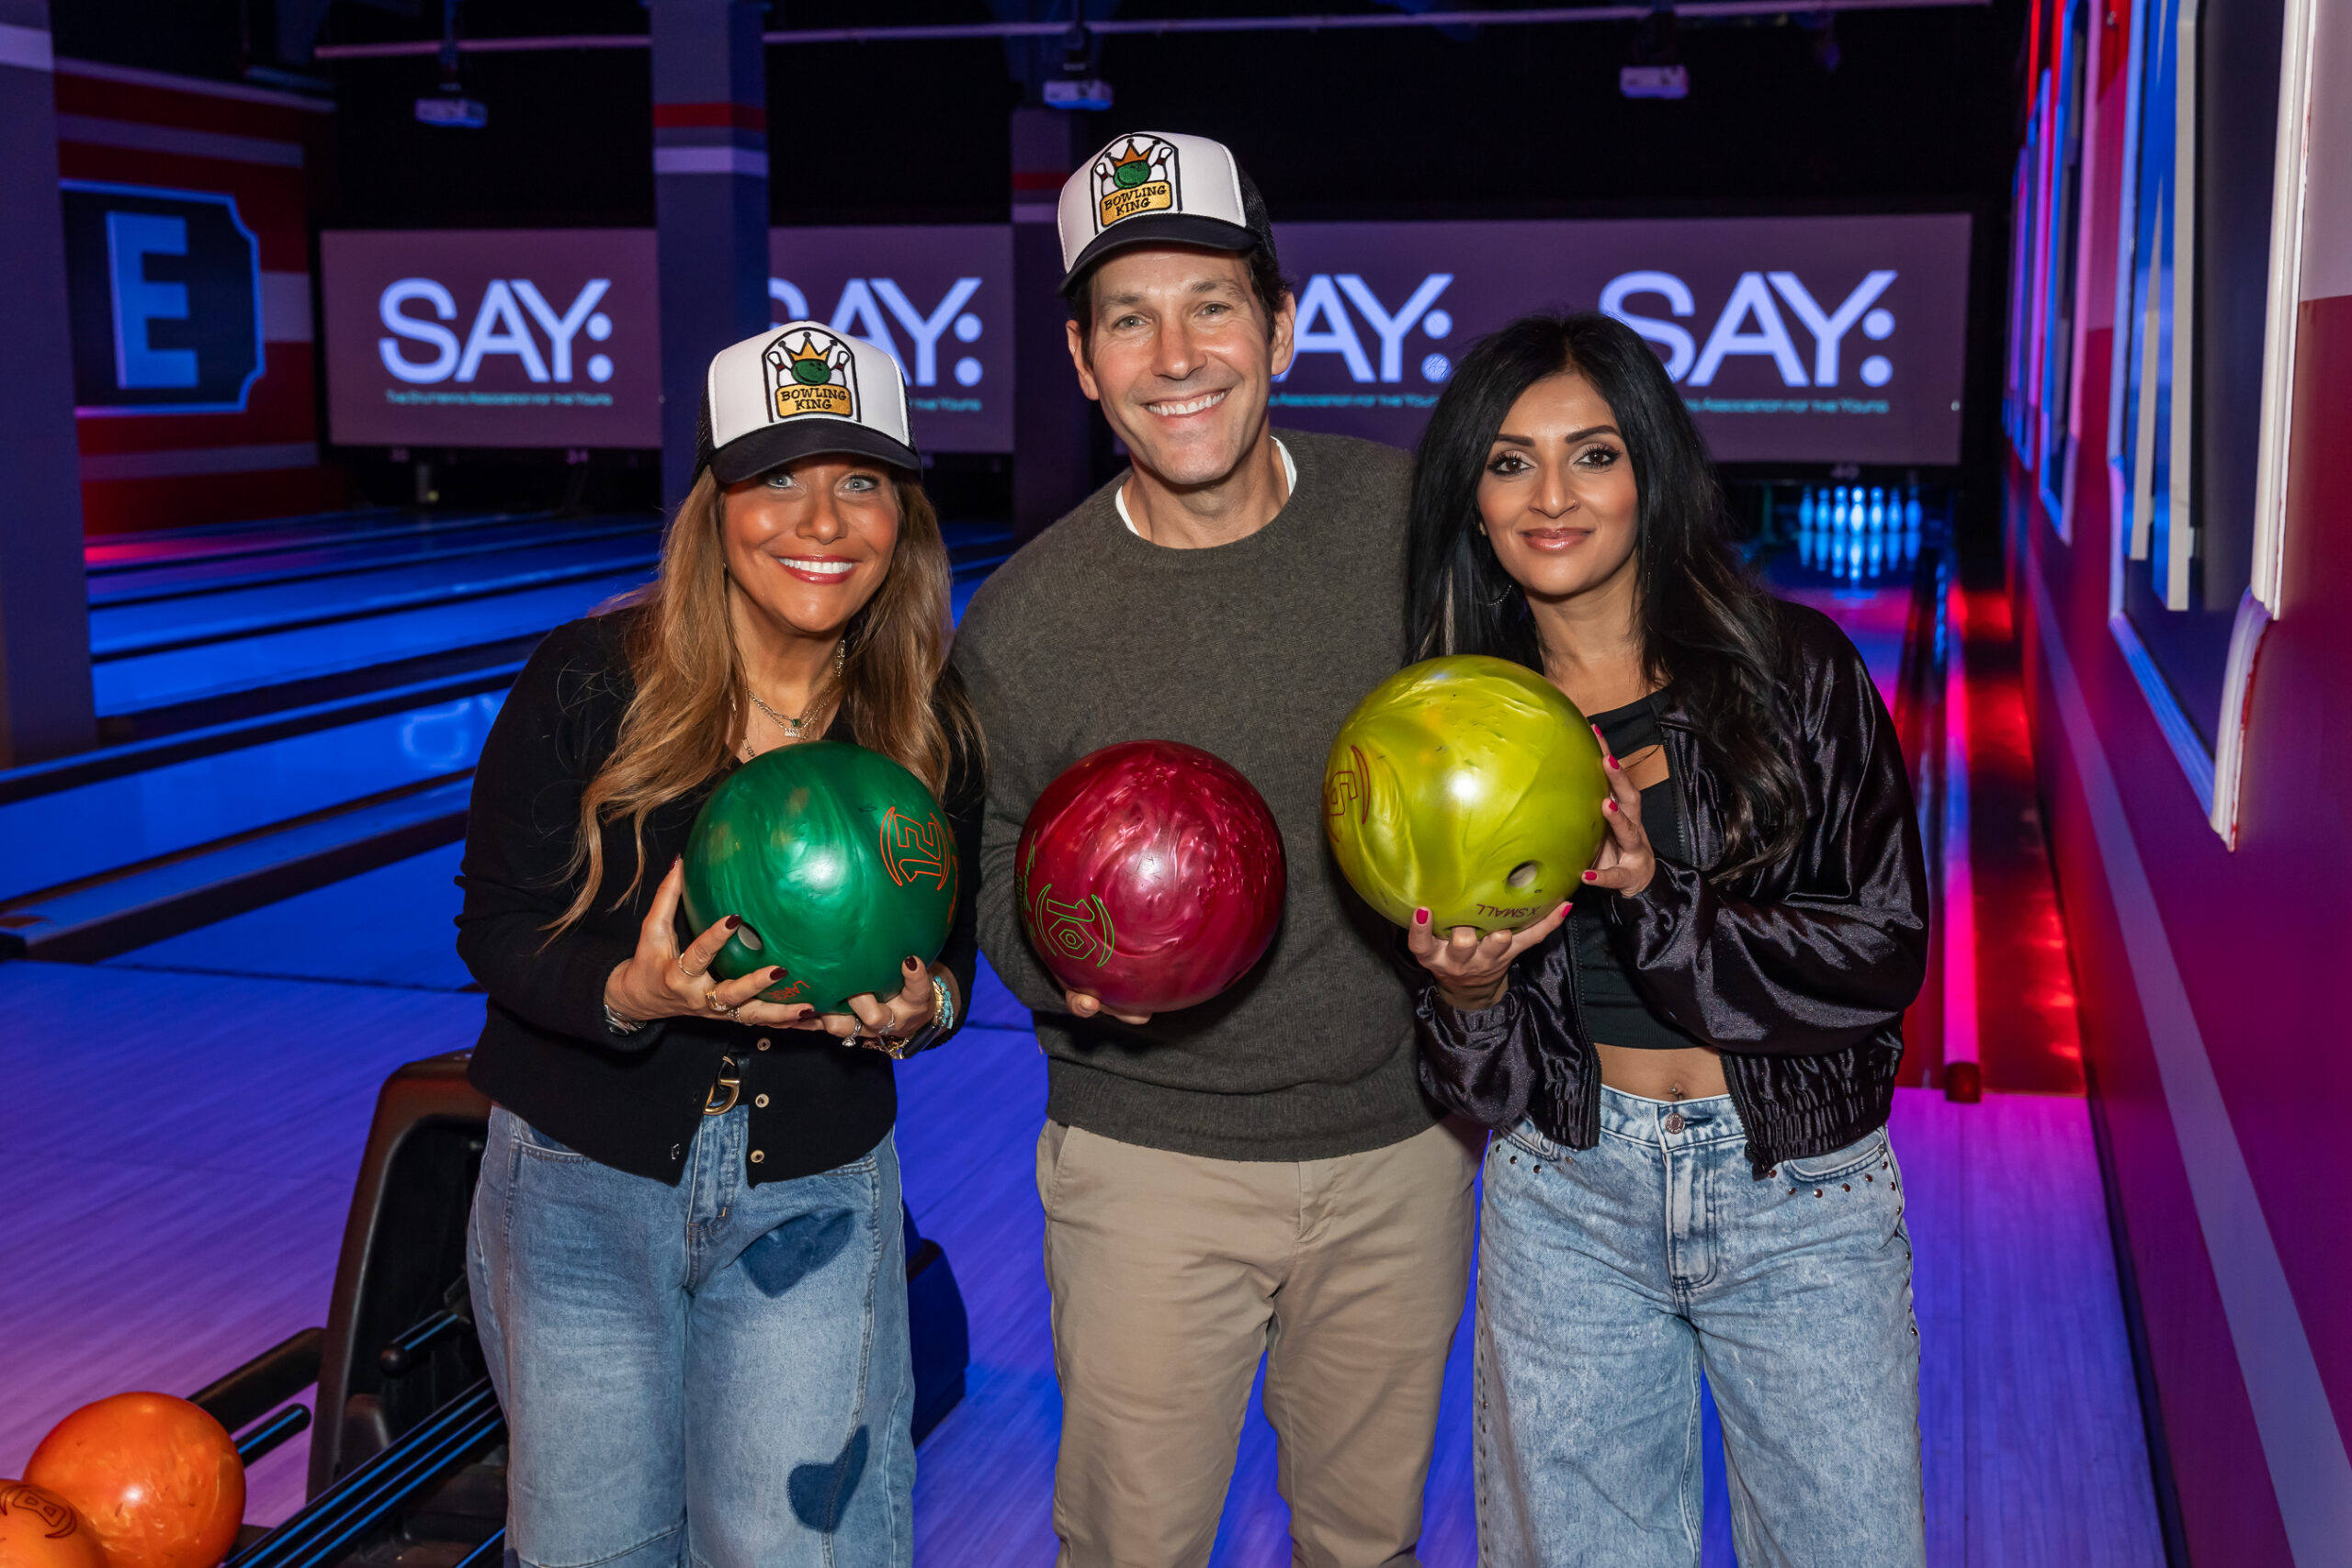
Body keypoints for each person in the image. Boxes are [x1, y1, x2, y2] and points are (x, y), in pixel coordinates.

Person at [954, 130, 1477, 1568]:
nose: (1176, 353)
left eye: (1212, 305)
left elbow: (1509, 747)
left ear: (1283, 328)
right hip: (1147, 1162)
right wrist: (1060, 977)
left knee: (1368, 1547)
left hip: (1400, 1150)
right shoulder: (1030, 618)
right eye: (1129, 317)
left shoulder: (1407, 528)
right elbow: (988, 853)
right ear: (1081, 360)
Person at [1399, 311, 1930, 1568]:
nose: (1551, 496)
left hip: (1802, 1197)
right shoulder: (1456, 734)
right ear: (1473, 503)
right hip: (1565, 1199)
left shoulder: (1795, 670)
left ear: (1649, 472)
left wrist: (1654, 898)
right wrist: (1464, 994)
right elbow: (1484, 1084)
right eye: (1510, 461)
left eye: (1592, 454)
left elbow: (1882, 949)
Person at [456, 321, 981, 1568]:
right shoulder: (592, 680)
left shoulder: (928, 720)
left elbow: (954, 957)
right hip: (579, 1184)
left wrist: (928, 1009)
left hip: (816, 1197)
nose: (822, 519)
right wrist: (631, 993)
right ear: (714, 504)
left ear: (902, 516)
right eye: (777, 477)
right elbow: (494, 924)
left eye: (861, 481)